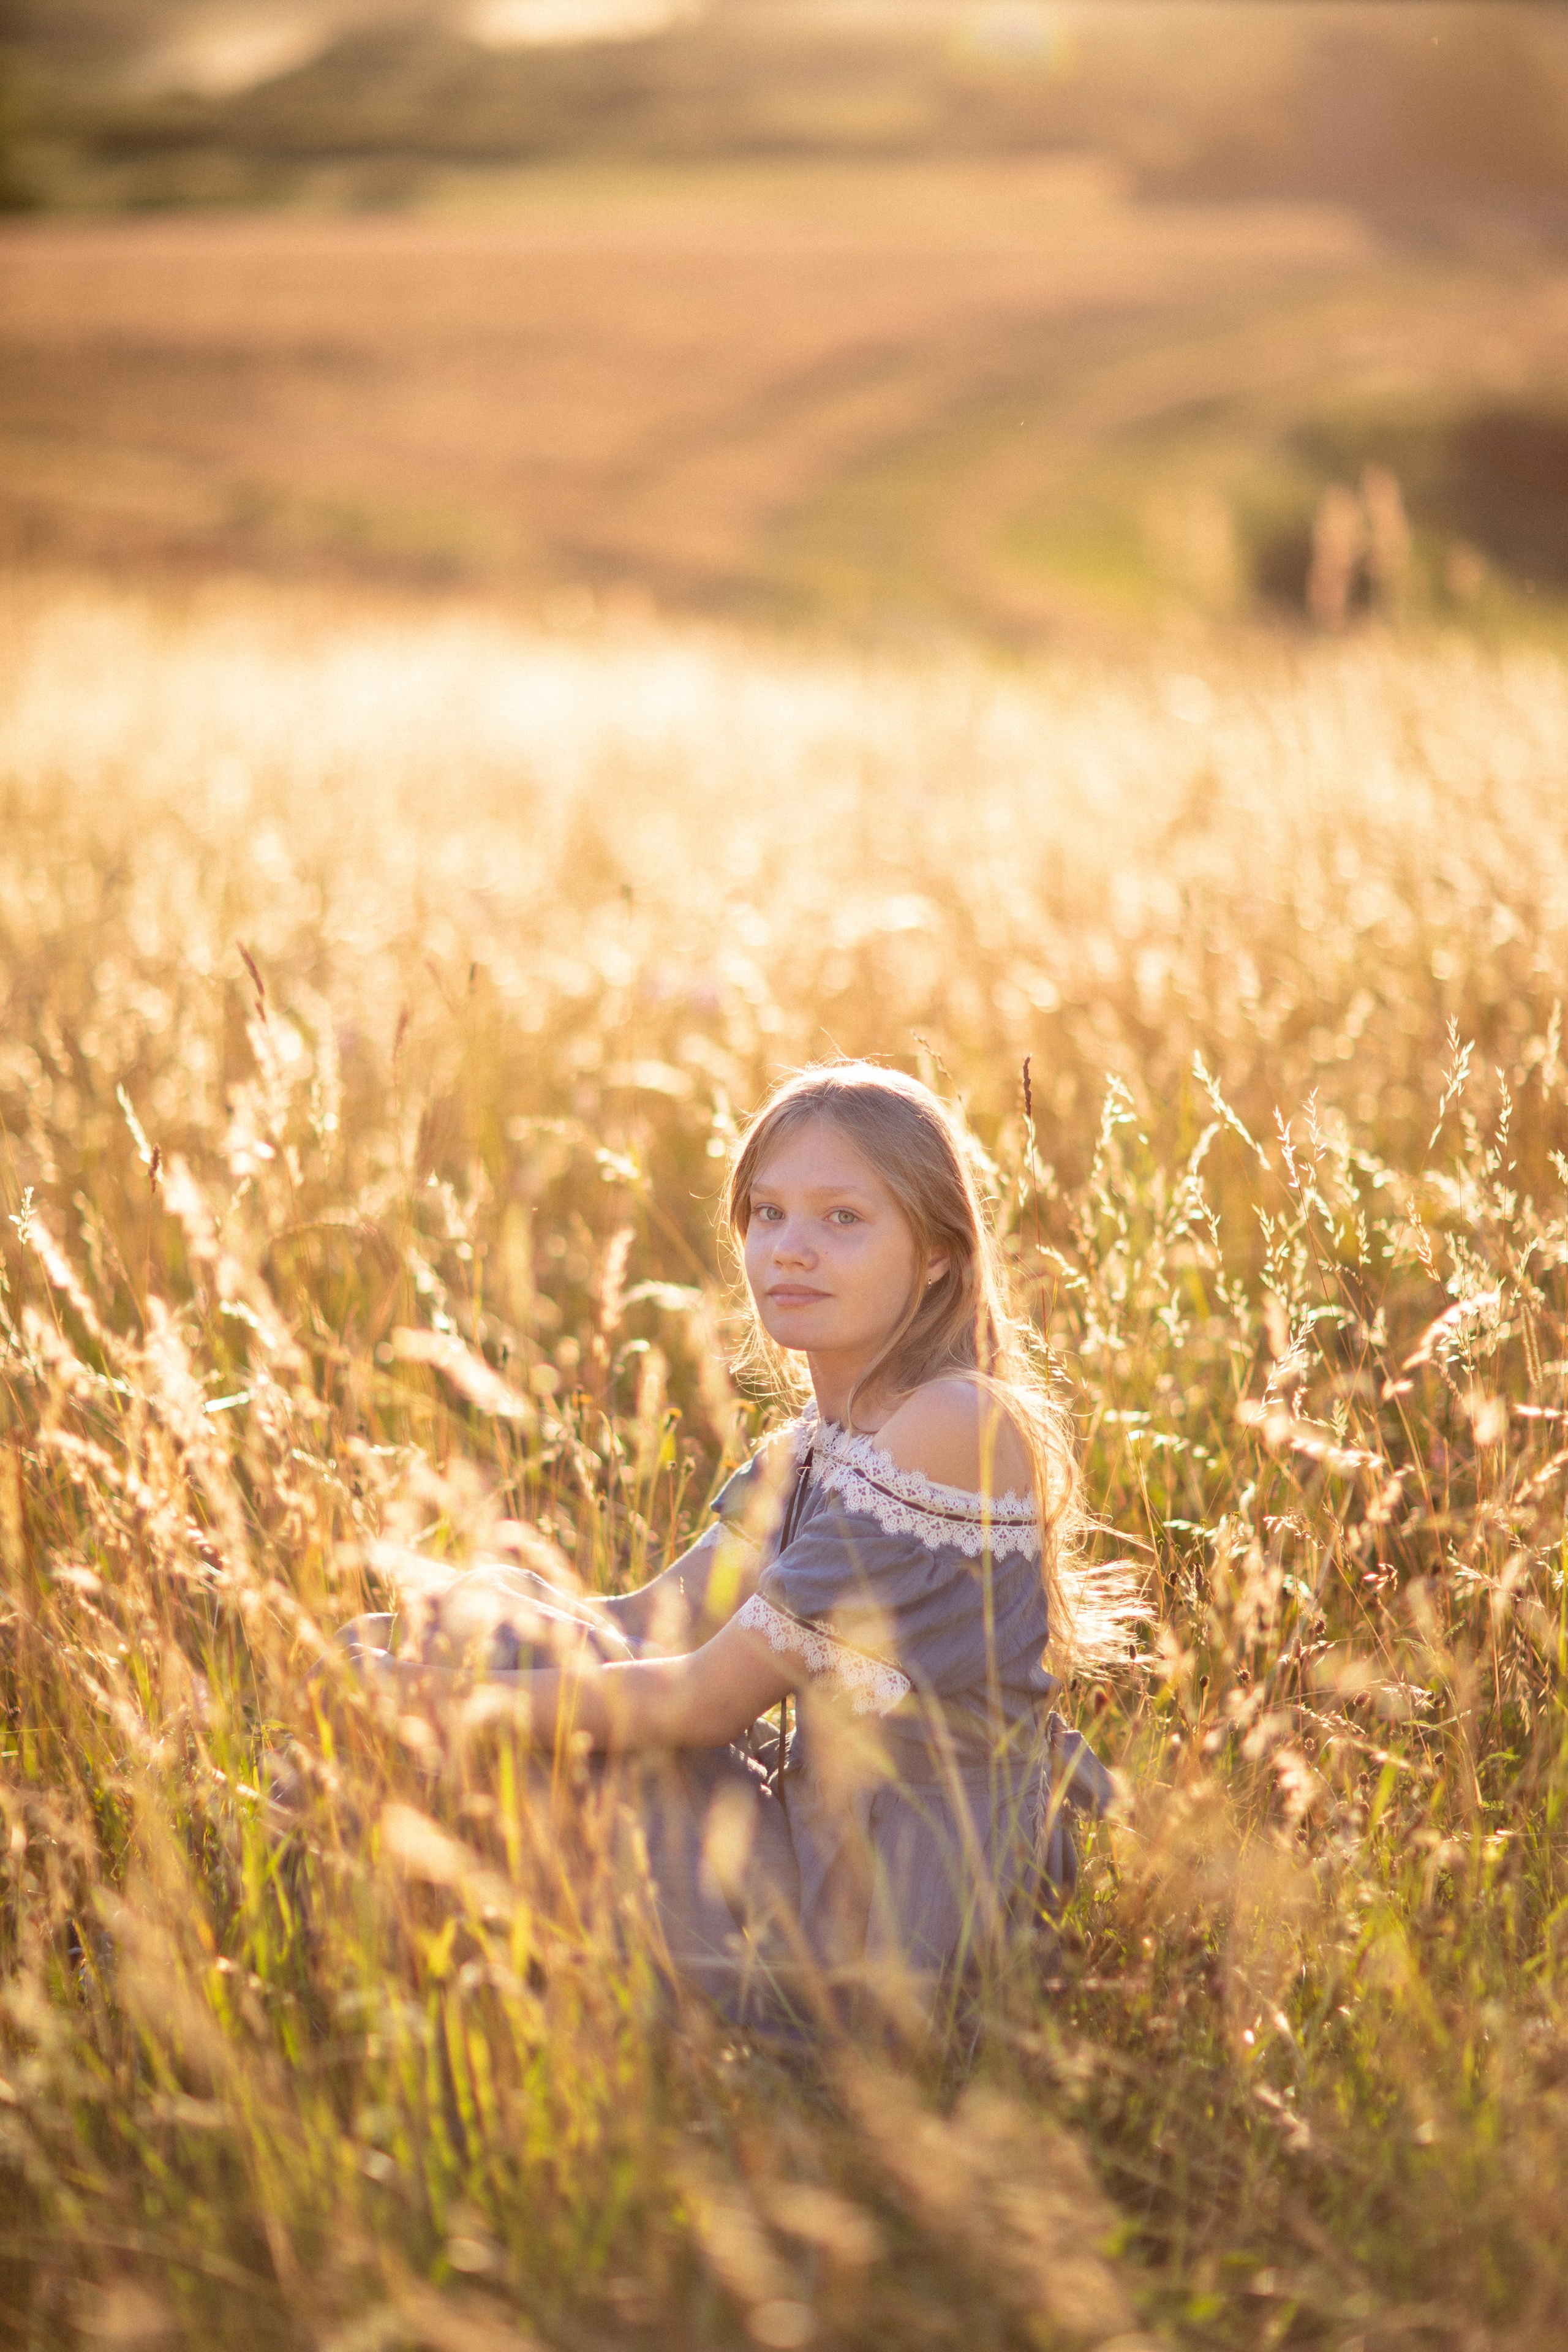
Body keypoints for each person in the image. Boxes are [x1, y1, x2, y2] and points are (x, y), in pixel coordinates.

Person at [350, 1061, 1128, 2022]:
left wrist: (428, 1697)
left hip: (902, 1915)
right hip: (821, 1841)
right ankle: (388, 1968)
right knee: (491, 1621)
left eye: (843, 1219)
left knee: (501, 1706)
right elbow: (645, 1624)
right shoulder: (811, 1448)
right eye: (767, 1215)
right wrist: (420, 1606)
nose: (790, 1250)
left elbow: (698, 1702)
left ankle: (424, 1987)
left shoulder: (952, 1424)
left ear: (936, 1253)